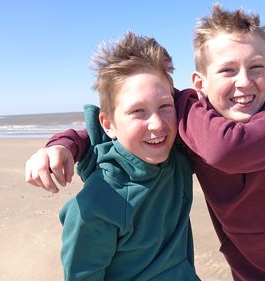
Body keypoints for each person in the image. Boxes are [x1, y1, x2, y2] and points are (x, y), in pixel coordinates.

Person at [26, 4, 265, 280]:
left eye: (256, 67)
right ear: (201, 82)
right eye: (227, 70)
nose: (244, 82)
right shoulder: (185, 134)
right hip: (249, 270)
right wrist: (62, 145)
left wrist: (180, 101)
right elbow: (115, 132)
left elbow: (229, 149)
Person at [53, 31, 200, 280]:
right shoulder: (97, 203)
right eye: (138, 111)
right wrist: (61, 145)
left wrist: (65, 143)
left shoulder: (178, 157)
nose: (157, 124)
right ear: (108, 124)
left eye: (165, 106)